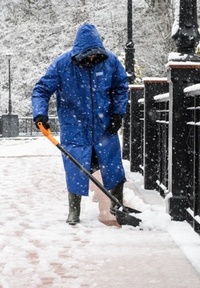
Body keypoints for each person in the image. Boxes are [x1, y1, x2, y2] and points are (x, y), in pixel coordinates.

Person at [31, 23, 129, 225]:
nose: (92, 59)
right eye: (87, 56)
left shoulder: (110, 61)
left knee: (113, 165)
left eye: (95, 55)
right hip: (74, 126)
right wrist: (40, 114)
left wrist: (118, 113)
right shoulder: (62, 65)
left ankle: (117, 205)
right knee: (75, 168)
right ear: (79, 53)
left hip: (105, 125)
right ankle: (73, 211)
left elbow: (121, 86)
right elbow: (41, 89)